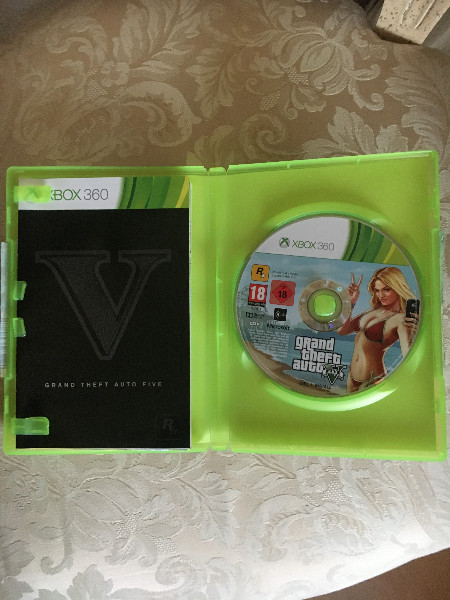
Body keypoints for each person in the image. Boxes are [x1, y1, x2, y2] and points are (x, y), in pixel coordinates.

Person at [337, 267, 418, 392]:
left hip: (373, 380)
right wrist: (351, 302)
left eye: (386, 290)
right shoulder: (372, 311)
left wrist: (390, 381)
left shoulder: (401, 320)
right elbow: (342, 330)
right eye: (377, 290)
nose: (381, 295)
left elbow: (409, 358)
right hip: (351, 377)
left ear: (397, 288)